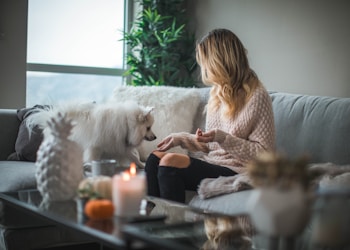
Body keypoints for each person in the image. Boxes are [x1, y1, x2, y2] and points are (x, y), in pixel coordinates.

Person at [144, 28, 275, 203]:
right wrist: (181, 138)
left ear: (219, 62)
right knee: (154, 159)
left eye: (205, 61)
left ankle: (173, 227)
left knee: (170, 163)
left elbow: (264, 155)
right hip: (213, 163)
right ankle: (152, 223)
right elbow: (212, 145)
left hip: (240, 170)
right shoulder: (217, 92)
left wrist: (223, 138)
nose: (203, 67)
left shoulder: (257, 95)